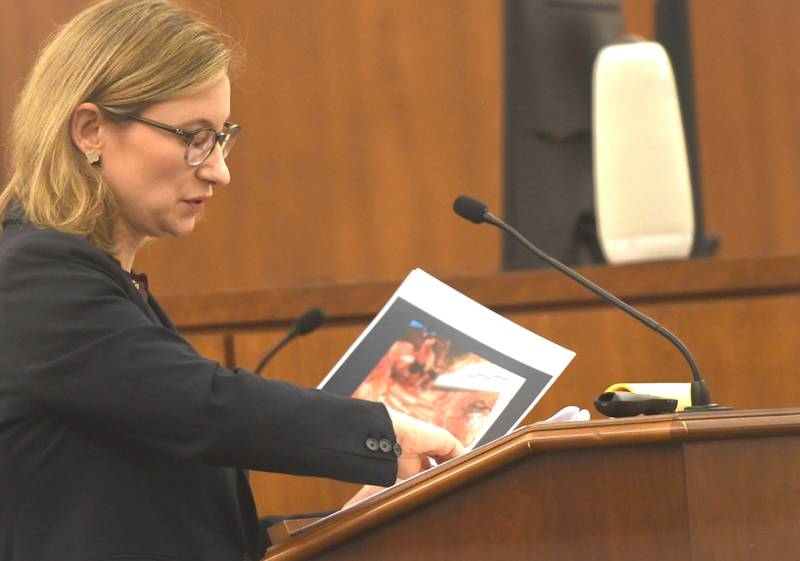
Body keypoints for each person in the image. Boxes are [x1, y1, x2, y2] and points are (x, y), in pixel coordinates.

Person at [0, 1, 465, 560]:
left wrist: (349, 521)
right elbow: (205, 405)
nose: (218, 169)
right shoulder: (32, 276)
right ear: (91, 130)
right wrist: (386, 435)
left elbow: (173, 525)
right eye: (194, 136)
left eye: (222, 138)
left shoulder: (102, 288)